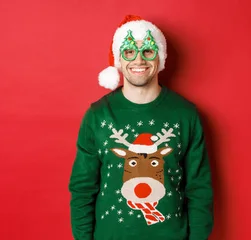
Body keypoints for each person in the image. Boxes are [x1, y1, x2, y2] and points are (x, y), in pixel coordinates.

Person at [68, 15, 214, 240]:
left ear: (160, 56)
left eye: (147, 51)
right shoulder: (97, 116)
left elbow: (199, 188)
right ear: (119, 59)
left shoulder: (185, 115)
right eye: (129, 52)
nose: (139, 60)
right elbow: (82, 189)